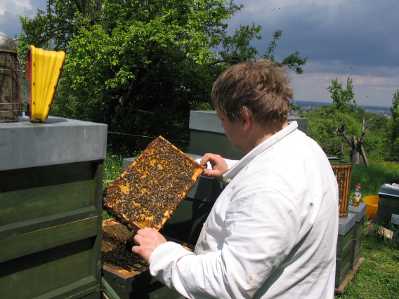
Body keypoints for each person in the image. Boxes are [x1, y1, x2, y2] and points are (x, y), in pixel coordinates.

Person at [132, 59, 339, 298]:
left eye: (222, 119)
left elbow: (230, 283)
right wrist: (233, 168)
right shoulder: (306, 148)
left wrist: (161, 253)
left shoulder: (270, 186)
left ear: (245, 117)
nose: (223, 128)